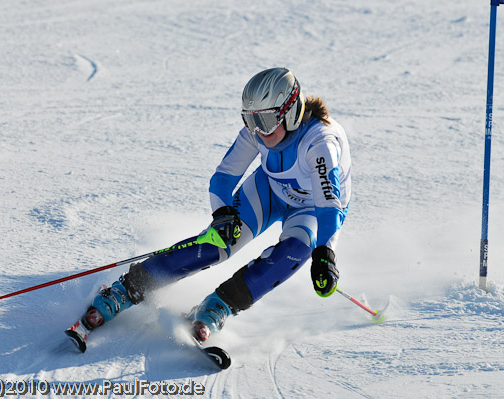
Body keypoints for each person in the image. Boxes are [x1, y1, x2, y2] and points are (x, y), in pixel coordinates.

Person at [68, 67, 352, 346]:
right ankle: (126, 289)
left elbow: (329, 206)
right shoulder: (258, 132)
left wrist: (325, 253)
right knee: (217, 244)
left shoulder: (320, 143)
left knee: (294, 253)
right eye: (249, 120)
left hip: (313, 209)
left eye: (264, 120)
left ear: (289, 111)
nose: (257, 131)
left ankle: (219, 306)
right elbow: (224, 177)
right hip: (271, 189)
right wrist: (222, 214)